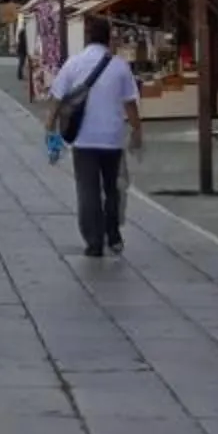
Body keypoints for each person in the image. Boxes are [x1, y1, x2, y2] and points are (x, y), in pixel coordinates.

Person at [49, 16, 141, 258]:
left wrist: (50, 130)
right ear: (108, 37)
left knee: (88, 190)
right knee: (112, 188)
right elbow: (130, 103)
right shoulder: (120, 66)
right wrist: (137, 132)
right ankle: (113, 235)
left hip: (83, 138)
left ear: (88, 36)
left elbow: (57, 99)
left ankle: (94, 241)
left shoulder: (74, 63)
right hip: (112, 138)